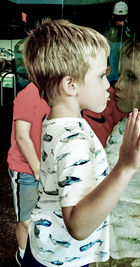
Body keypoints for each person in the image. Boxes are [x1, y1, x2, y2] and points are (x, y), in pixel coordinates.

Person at [21, 19, 140, 267]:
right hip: (62, 260)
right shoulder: (73, 140)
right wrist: (125, 168)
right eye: (101, 75)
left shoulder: (57, 122)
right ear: (71, 85)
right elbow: (78, 226)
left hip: (47, 251)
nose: (108, 85)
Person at [7, 82, 50, 266]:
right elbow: (22, 137)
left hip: (47, 169)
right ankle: (23, 257)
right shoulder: (28, 95)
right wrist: (38, 171)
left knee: (44, 219)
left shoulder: (55, 93)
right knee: (26, 220)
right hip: (25, 170)